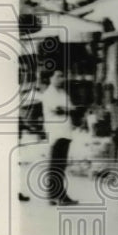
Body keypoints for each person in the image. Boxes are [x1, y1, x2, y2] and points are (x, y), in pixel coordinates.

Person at [40, 71, 78, 206]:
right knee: (55, 165)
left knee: (61, 165)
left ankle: (57, 195)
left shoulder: (62, 93)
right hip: (56, 133)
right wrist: (69, 109)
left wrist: (68, 109)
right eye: (58, 76)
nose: (61, 79)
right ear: (50, 78)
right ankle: (56, 196)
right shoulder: (48, 94)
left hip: (65, 132)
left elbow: (70, 108)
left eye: (62, 76)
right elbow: (58, 109)